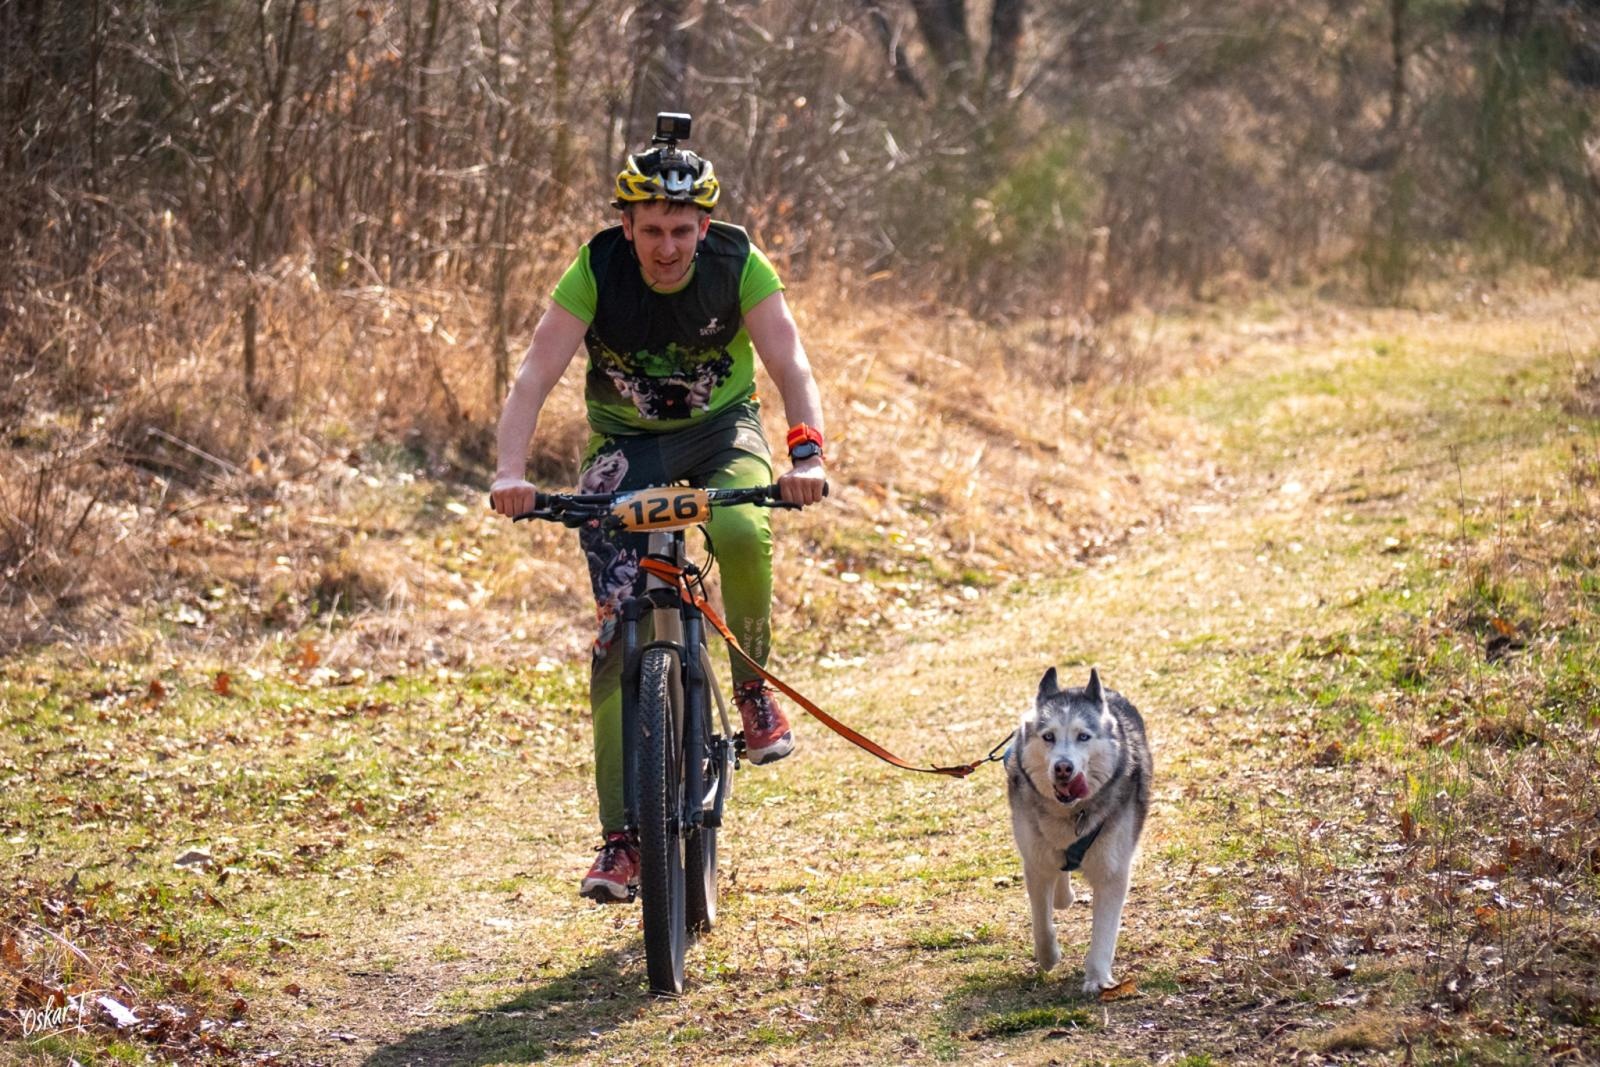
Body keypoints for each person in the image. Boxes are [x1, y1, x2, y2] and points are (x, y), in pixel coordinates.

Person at [488, 118, 828, 904]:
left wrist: (806, 454)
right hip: (626, 447)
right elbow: (534, 374)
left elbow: (789, 361)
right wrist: (510, 470)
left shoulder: (737, 261)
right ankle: (622, 837)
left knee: (740, 525)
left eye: (681, 230)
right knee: (617, 632)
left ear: (704, 226)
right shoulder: (596, 268)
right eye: (651, 231)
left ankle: (752, 687)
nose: (667, 247)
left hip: (721, 432)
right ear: (626, 226)